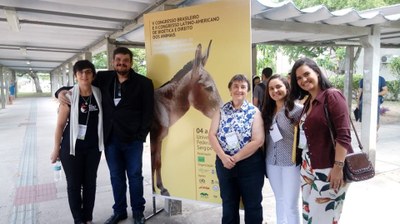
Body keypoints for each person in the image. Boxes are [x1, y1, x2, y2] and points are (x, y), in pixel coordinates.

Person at [56, 47, 154, 224]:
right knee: (116, 176)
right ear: (113, 62)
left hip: (133, 140)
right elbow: (81, 83)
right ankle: (120, 211)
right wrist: (60, 92)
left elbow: (148, 113)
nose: (121, 63)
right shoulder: (103, 78)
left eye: (125, 60)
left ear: (131, 62)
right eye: (118, 60)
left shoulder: (144, 83)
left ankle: (138, 211)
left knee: (135, 176)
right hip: (110, 139)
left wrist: (141, 136)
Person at [289, 58, 352, 224]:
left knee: (323, 218)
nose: (303, 80)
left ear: (317, 72)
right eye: (299, 78)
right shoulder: (309, 101)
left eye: (306, 74)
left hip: (329, 167)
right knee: (309, 216)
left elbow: (344, 135)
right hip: (308, 166)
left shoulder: (332, 96)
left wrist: (338, 167)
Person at [51, 60, 104, 224]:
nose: (84, 75)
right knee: (74, 185)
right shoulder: (68, 97)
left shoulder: (99, 94)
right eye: (80, 72)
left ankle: (88, 217)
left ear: (93, 75)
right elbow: (60, 125)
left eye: (88, 72)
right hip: (71, 148)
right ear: (75, 76)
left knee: (90, 184)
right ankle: (78, 219)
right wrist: (55, 148)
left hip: (93, 148)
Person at [208, 74, 265, 224]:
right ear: (230, 89)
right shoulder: (221, 110)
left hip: (250, 165)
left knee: (252, 205)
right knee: (228, 204)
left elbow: (258, 140)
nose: (239, 90)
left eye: (243, 87)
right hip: (224, 164)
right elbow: (212, 135)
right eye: (236, 86)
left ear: (247, 90)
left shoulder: (254, 112)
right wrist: (223, 157)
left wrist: (235, 158)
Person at [262, 74, 303, 224]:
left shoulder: (298, 110)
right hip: (271, 162)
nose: (275, 91)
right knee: (279, 200)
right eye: (271, 88)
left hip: (291, 164)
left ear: (287, 87)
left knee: (290, 204)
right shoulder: (266, 111)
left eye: (278, 86)